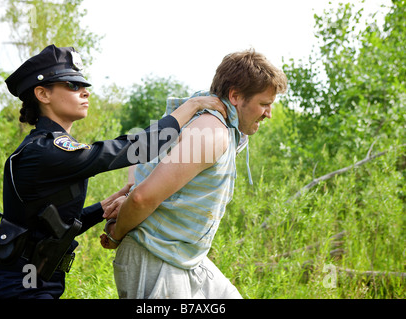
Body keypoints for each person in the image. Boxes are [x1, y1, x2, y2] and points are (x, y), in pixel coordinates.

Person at [0, 44, 226, 299]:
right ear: (42, 94)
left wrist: (102, 209)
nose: (85, 92)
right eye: (73, 85)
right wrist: (193, 105)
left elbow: (50, 226)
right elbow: (138, 148)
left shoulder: (49, 148)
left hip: (33, 280)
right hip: (19, 286)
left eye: (84, 85)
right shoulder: (46, 150)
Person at [100, 49, 288, 299]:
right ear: (235, 96)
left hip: (186, 257)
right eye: (264, 104)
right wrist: (116, 235)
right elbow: (141, 198)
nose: (269, 113)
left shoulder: (221, 127)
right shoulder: (212, 132)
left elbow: (143, 155)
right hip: (155, 256)